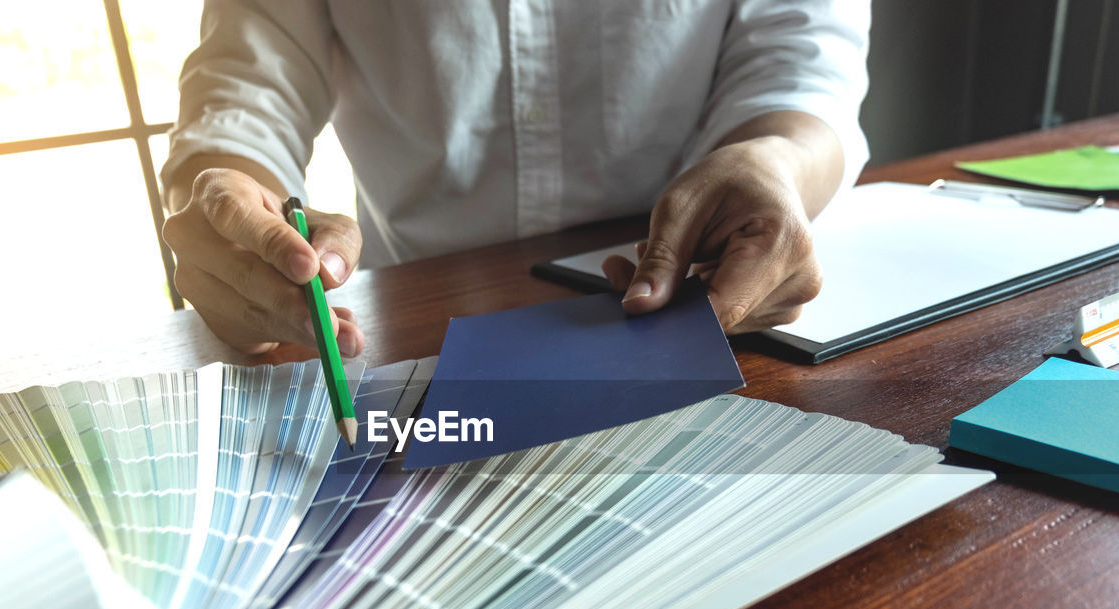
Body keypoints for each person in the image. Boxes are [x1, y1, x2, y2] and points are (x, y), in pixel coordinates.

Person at [160, 1, 869, 357]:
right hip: (416, 329)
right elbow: (249, 82)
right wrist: (229, 197)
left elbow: (804, 59)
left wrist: (775, 161)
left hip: (694, 307)